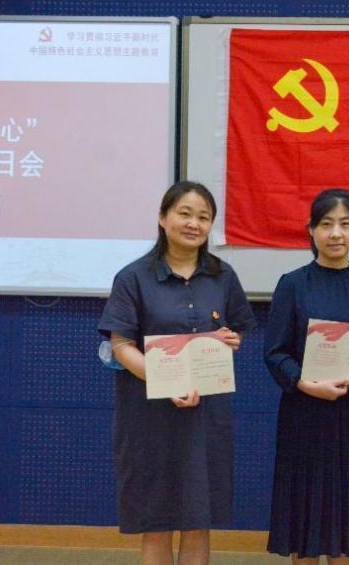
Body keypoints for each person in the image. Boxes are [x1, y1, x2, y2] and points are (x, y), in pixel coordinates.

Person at [98, 180, 256, 565]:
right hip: (149, 416)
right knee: (156, 523)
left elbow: (236, 331)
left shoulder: (223, 276)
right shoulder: (133, 277)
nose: (193, 224)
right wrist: (167, 381)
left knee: (198, 522)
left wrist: (230, 339)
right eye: (184, 213)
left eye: (203, 217)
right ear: (162, 217)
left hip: (205, 416)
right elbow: (121, 345)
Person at [264, 188, 349, 564]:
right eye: (327, 224)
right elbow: (275, 352)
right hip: (306, 416)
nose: (336, 233)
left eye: (345, 224)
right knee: (306, 524)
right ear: (311, 230)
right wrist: (304, 382)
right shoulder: (293, 283)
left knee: (345, 523)